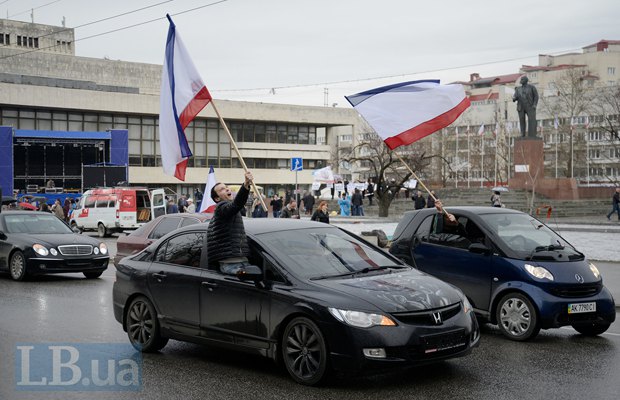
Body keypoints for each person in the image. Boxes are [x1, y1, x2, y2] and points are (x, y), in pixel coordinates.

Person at [206, 171, 254, 274]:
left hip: (243, 261)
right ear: (217, 198)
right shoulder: (221, 207)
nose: (227, 189)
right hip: (231, 264)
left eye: (226, 187)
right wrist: (245, 185)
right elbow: (236, 205)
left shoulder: (232, 210)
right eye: (222, 189)